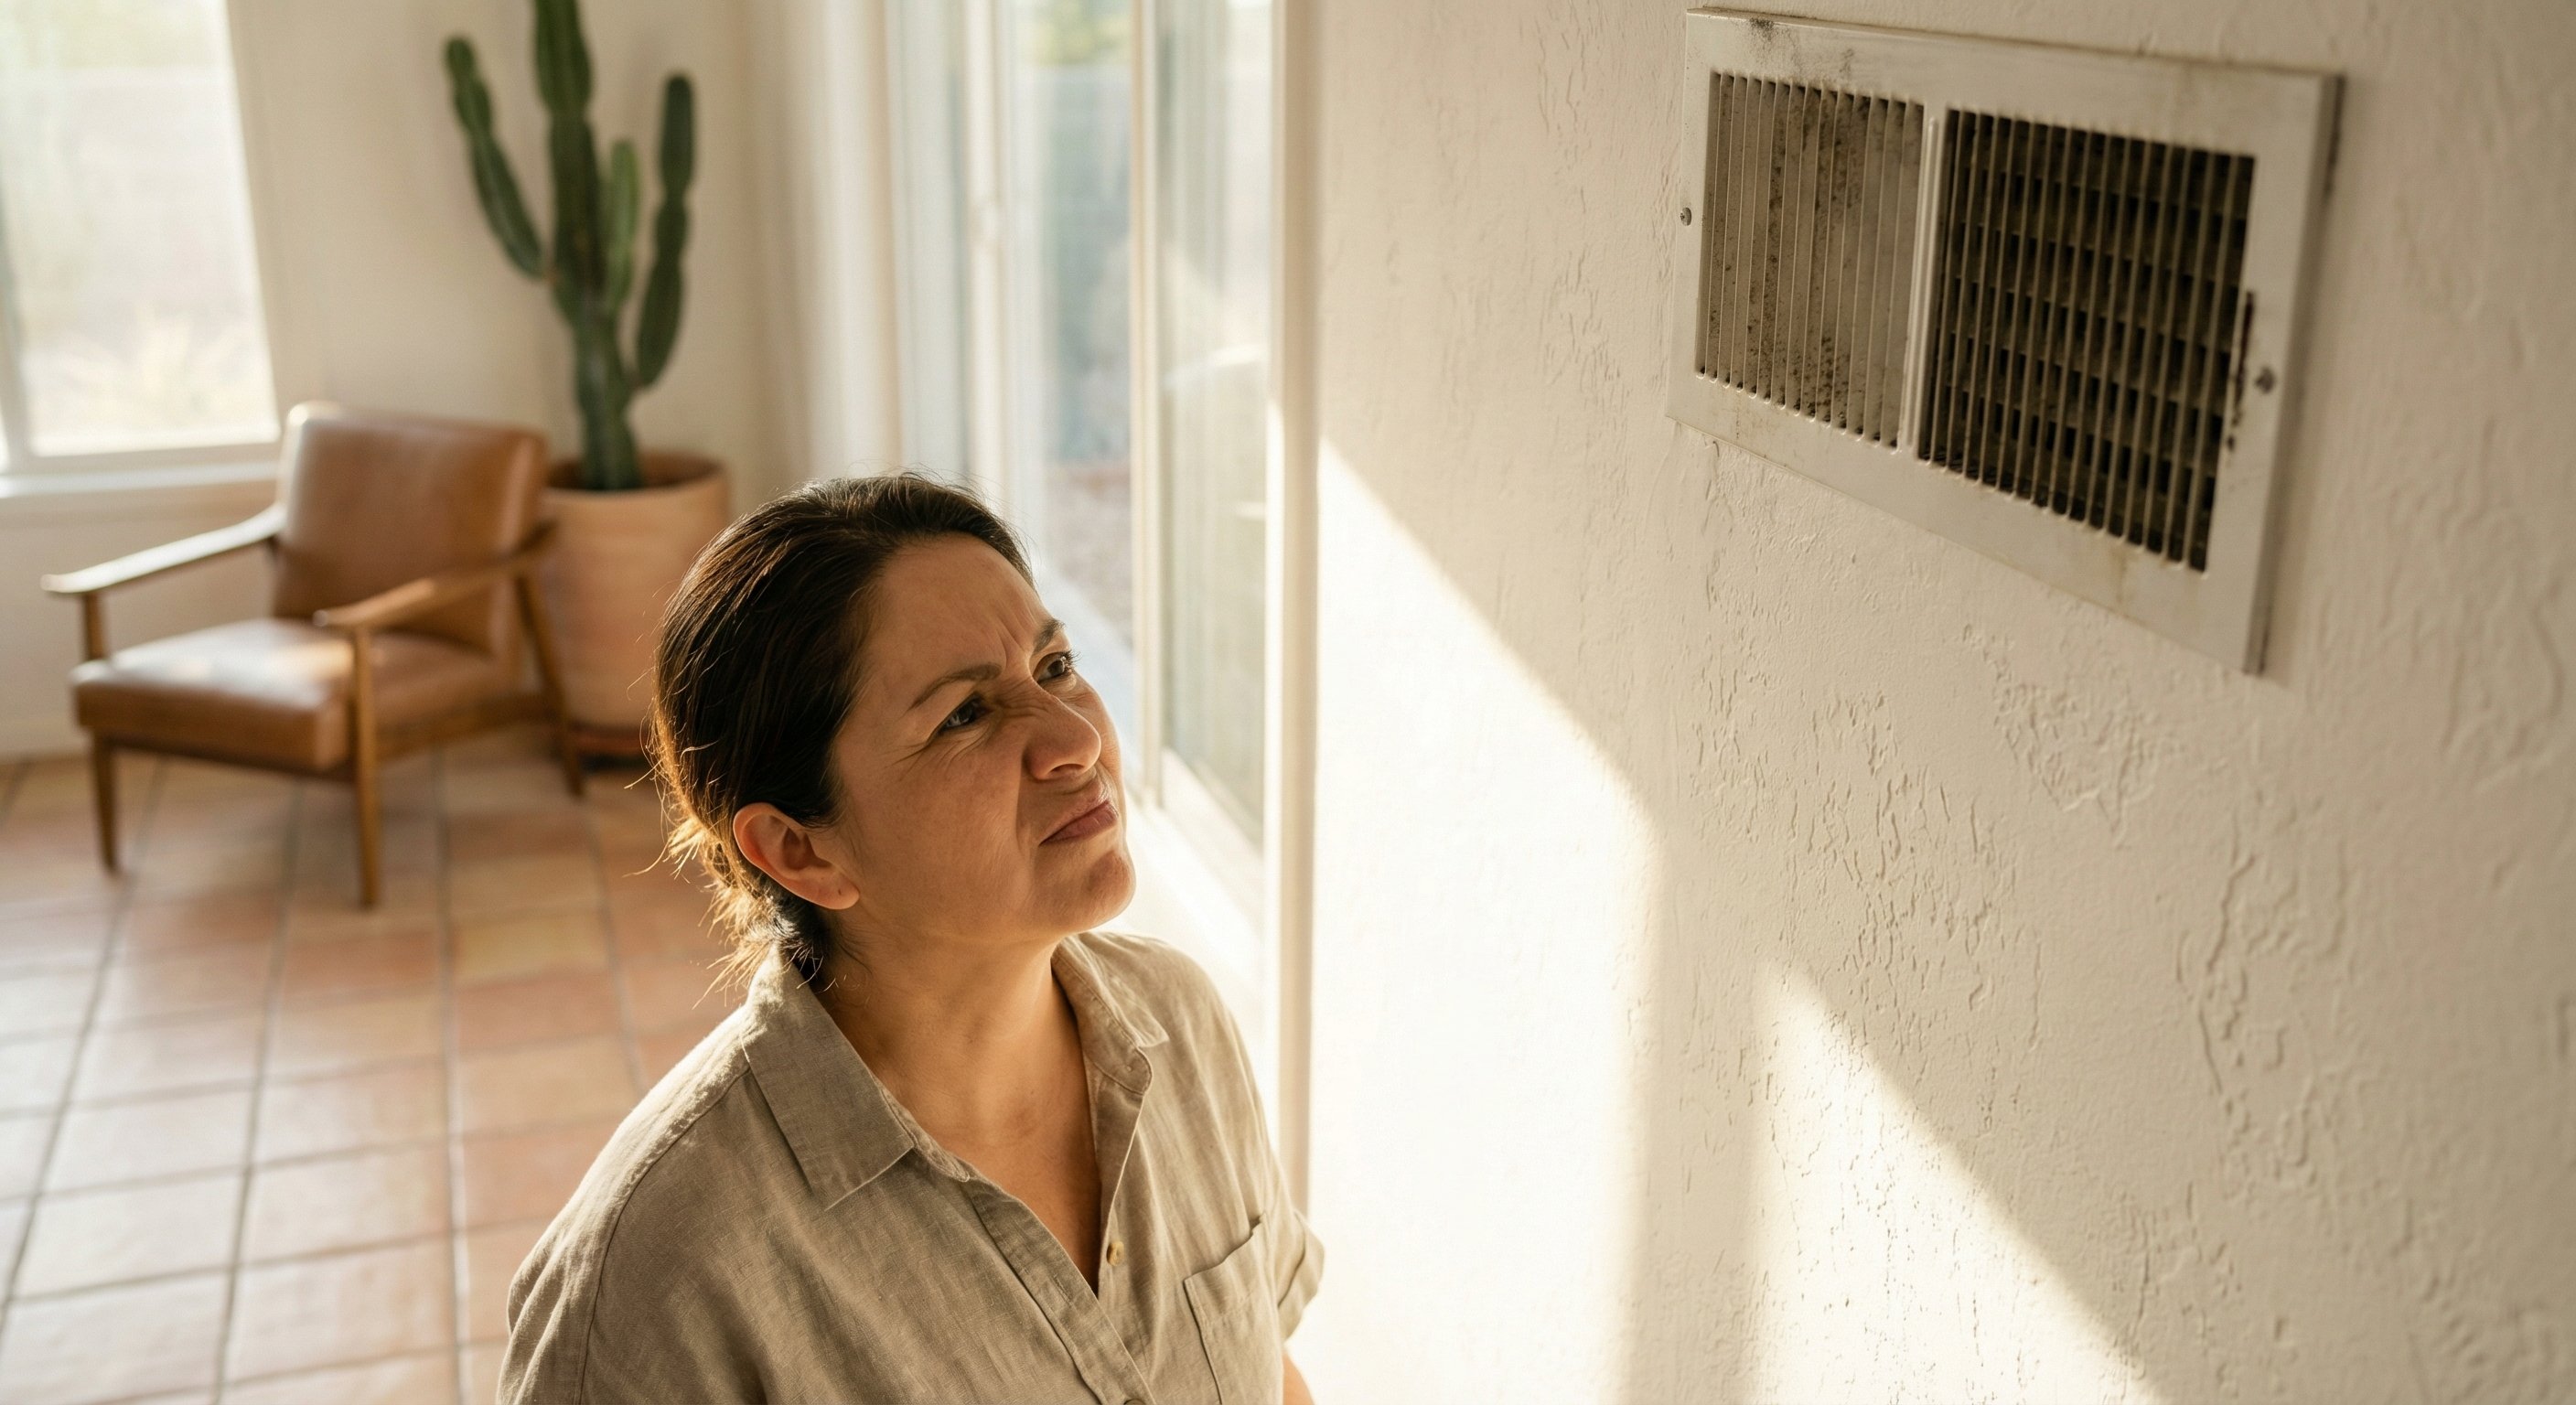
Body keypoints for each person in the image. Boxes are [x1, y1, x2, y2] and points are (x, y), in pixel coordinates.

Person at [499, 473, 1323, 1403]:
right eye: (962, 715)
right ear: (800, 851)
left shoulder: (1182, 1023)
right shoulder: (660, 1276)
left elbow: (1273, 1375)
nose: (1073, 738)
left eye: (1054, 667)